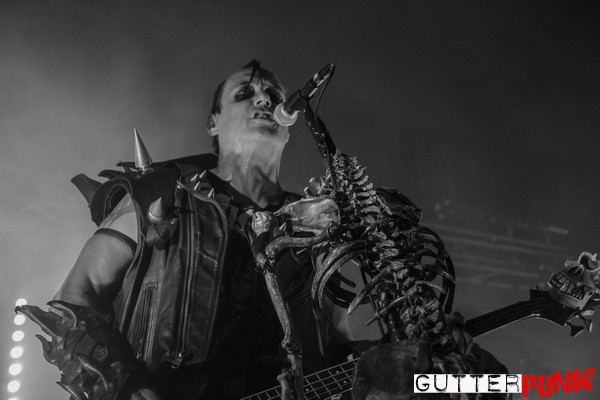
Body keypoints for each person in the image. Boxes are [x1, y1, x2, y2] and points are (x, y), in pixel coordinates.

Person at [19, 60, 353, 400]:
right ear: (213, 123)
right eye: (245, 93)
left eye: (274, 95)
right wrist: (124, 386)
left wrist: (384, 369)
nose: (265, 99)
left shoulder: (316, 225)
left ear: (289, 123)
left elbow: (337, 343)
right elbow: (73, 298)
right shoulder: (160, 194)